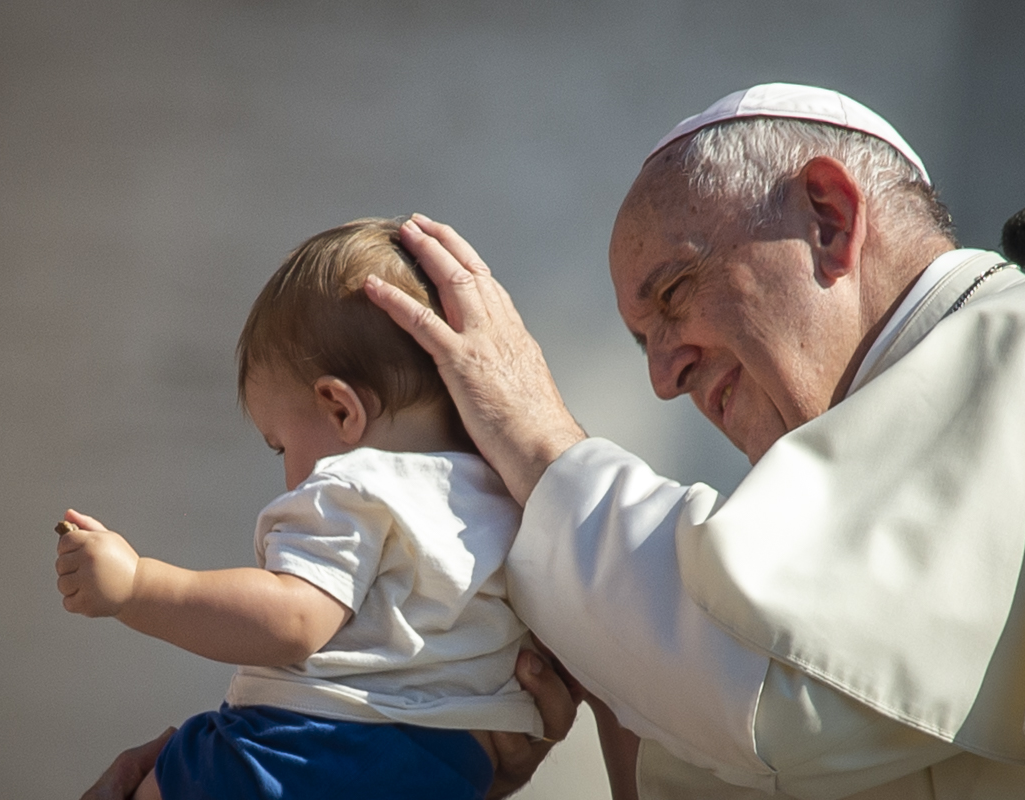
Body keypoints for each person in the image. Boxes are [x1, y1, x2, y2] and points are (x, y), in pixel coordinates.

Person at [363, 84, 1025, 798]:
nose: (663, 377)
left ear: (830, 221)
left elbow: (782, 693)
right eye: (643, 341)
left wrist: (537, 440)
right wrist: (609, 689)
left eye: (675, 292)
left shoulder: (1009, 343)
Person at [55, 218, 552, 800]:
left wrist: (137, 585)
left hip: (308, 753)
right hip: (449, 771)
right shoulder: (508, 504)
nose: (287, 472)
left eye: (281, 446)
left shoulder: (356, 482)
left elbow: (293, 620)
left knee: (168, 779)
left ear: (340, 410)